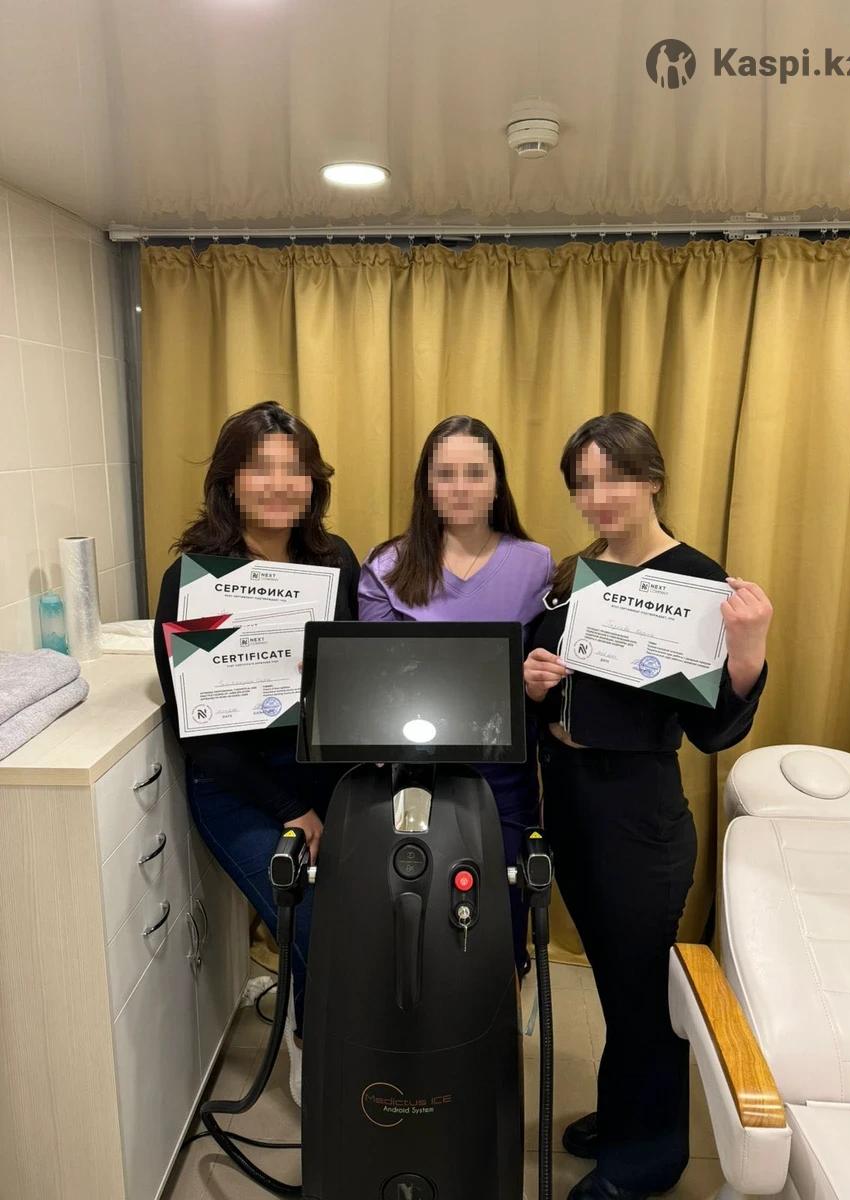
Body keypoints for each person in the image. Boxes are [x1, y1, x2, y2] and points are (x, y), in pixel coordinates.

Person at [525, 412, 773, 1200]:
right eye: (583, 483)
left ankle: (649, 1160)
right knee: (615, 980)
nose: (598, 497)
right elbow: (547, 682)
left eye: (615, 478)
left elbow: (712, 731)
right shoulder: (574, 575)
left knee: (644, 992)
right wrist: (534, 681)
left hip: (638, 815)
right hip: (571, 807)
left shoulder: (697, 582)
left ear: (653, 479)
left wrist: (748, 651)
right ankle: (624, 1114)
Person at [152, 401, 359, 1105]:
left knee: (359, 911)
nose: (278, 485)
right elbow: (197, 728)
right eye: (259, 469)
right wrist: (292, 810)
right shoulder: (195, 579)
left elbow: (351, 684)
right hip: (238, 785)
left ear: (313, 481)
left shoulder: (335, 562)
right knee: (308, 918)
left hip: (325, 779)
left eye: (294, 469)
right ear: (230, 481)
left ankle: (333, 1021)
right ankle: (311, 1050)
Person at [358, 414, 553, 973]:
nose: (461, 487)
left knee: (503, 917)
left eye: (475, 472)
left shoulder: (536, 563)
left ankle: (503, 1008)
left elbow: (540, 679)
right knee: (417, 917)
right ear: (426, 484)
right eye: (445, 474)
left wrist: (535, 680)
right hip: (411, 772)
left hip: (503, 774)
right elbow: (378, 682)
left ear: (497, 482)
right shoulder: (388, 566)